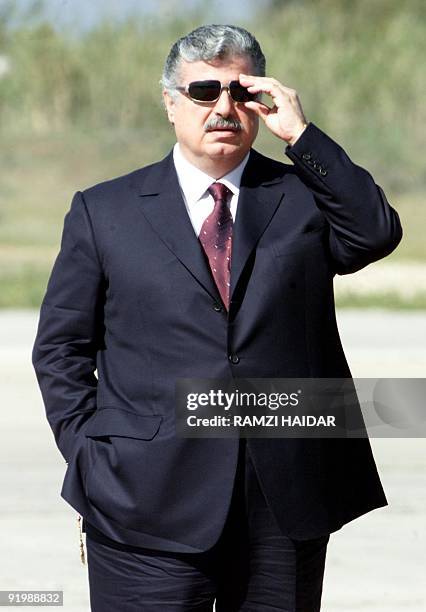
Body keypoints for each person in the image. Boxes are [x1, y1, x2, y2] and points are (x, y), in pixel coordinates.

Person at [32, 24, 402, 611]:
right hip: (143, 506)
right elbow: (60, 349)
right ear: (170, 103)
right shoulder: (105, 211)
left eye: (242, 93)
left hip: (281, 507)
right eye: (204, 92)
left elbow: (376, 233)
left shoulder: (302, 198)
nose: (223, 107)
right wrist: (90, 453)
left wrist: (300, 135)